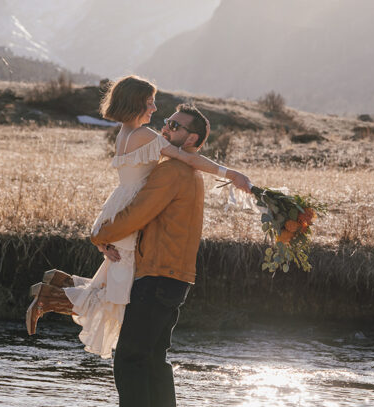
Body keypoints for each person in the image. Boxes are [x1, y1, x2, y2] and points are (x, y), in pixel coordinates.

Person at [25, 77, 250, 359]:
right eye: (149, 102)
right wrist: (231, 174)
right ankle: (49, 296)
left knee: (113, 283)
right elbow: (190, 159)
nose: (155, 109)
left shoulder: (124, 133)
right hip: (130, 209)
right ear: (135, 103)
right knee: (118, 290)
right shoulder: (144, 136)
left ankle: (53, 289)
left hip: (118, 205)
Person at [90, 103, 212, 407]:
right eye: (167, 121)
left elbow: (139, 211)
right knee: (154, 360)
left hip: (157, 275)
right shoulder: (186, 172)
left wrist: (99, 234)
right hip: (174, 277)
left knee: (129, 359)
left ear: (191, 139)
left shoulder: (172, 171)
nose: (166, 127)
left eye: (174, 125)